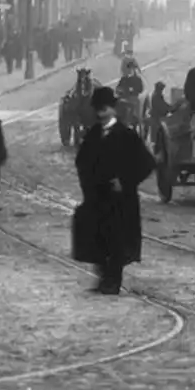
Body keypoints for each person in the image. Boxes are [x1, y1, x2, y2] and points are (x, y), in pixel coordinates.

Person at [71, 87, 155, 295]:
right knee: (97, 240)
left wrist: (126, 182)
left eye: (105, 109)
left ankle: (113, 282)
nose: (101, 113)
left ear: (113, 109)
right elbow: (81, 162)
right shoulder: (92, 136)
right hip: (97, 199)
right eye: (98, 109)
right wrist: (89, 184)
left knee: (117, 241)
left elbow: (146, 163)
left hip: (120, 202)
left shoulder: (127, 135)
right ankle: (103, 278)